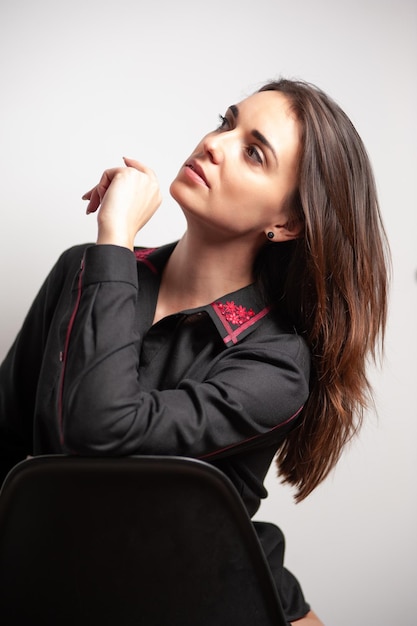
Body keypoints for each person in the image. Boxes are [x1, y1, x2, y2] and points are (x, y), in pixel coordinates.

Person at [0, 78, 389, 625]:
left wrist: (114, 239)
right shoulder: (84, 272)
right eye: (227, 122)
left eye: (254, 152)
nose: (215, 143)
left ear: (287, 223)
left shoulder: (276, 365)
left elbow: (98, 428)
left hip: (207, 603)